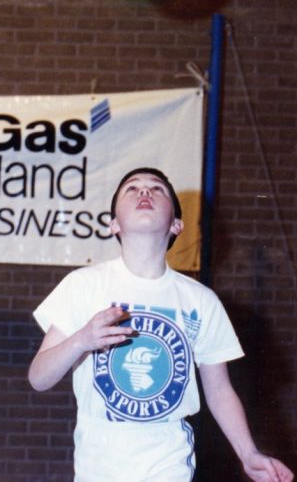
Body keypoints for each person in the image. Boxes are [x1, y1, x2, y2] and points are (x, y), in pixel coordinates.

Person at [28, 167, 293, 482]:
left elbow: (220, 391)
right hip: (98, 460)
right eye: (132, 188)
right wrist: (80, 341)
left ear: (176, 225)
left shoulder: (200, 300)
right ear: (113, 224)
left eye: (157, 189)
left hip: (168, 459)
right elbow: (38, 378)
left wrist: (248, 453)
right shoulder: (84, 285)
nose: (144, 192)